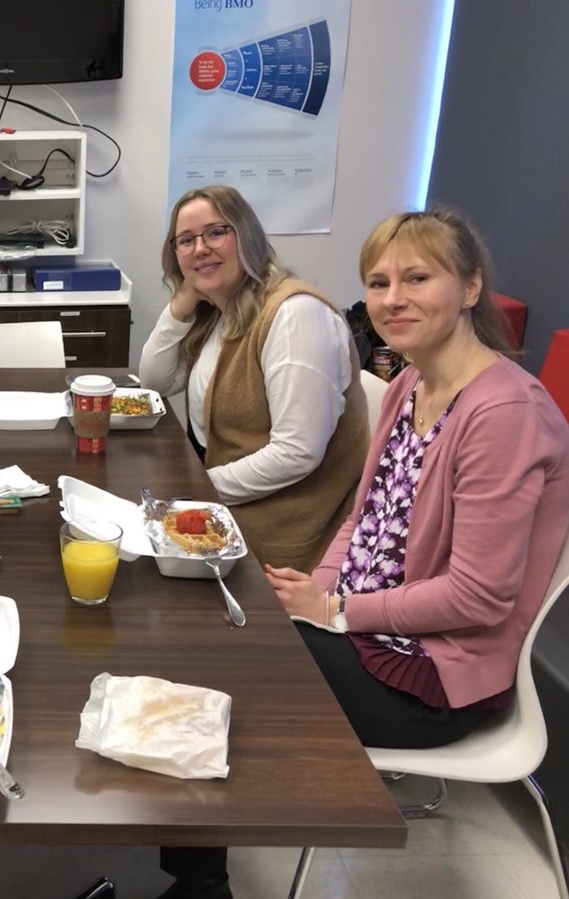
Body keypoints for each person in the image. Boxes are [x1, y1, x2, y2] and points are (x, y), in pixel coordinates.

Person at [156, 210, 569, 899]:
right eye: (378, 282)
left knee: (216, 673)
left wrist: (336, 610)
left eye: (417, 277)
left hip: (437, 675)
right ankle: (197, 873)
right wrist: (313, 594)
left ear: (470, 288)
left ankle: (202, 885)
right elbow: (362, 517)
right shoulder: (411, 384)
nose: (391, 298)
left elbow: (478, 596)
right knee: (201, 630)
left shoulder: (503, 414)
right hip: (372, 631)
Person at [139, 185, 368, 571]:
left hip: (288, 530)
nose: (200, 248)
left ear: (246, 234)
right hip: (232, 503)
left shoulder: (295, 316)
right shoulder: (219, 312)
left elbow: (297, 452)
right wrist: (181, 304)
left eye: (216, 232)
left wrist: (199, 488)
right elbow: (154, 384)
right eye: (186, 240)